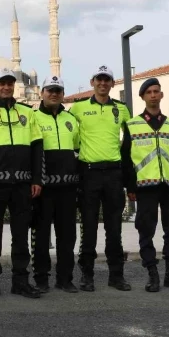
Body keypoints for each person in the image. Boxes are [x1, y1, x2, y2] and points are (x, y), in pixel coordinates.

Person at [0, 68, 44, 299]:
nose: (6, 87)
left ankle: (20, 281)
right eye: (1, 84)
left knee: (21, 235)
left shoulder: (27, 112)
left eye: (10, 84)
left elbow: (36, 148)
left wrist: (37, 179)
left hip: (23, 185)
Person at [121, 78, 169, 293]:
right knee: (146, 230)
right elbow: (125, 159)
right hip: (145, 187)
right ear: (142, 97)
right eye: (149, 92)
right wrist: (130, 187)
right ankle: (152, 273)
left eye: (156, 91)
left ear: (161, 95)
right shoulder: (132, 125)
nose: (153, 95)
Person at [68, 65, 131, 292]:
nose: (103, 83)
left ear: (113, 84)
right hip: (89, 173)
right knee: (89, 227)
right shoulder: (78, 108)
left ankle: (116, 275)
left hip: (114, 174)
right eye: (99, 79)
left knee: (114, 228)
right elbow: (69, 136)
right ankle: (87, 275)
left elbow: (130, 142)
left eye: (107, 80)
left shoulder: (122, 109)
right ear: (92, 81)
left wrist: (128, 177)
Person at [31, 76, 81, 293]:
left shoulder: (70, 119)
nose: (54, 94)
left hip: (68, 189)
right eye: (50, 90)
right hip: (43, 188)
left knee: (67, 236)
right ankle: (41, 278)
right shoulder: (32, 118)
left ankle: (65, 278)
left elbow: (77, 149)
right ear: (42, 92)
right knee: (41, 236)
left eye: (58, 90)